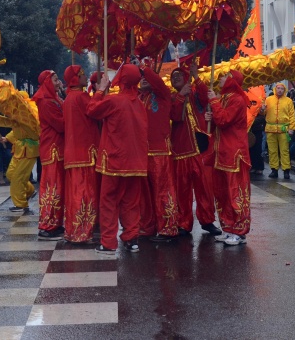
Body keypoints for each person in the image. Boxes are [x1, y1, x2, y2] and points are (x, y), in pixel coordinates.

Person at [87, 66, 148, 254]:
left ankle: (108, 242)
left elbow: (91, 110)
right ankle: (132, 239)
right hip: (136, 163)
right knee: (131, 202)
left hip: (114, 160)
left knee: (108, 201)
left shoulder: (114, 101)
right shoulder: (139, 104)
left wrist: (99, 90)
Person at [170, 64, 220, 236]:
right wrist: (180, 96)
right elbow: (175, 116)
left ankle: (207, 221)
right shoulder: (172, 97)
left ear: (186, 79)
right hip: (181, 150)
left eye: (179, 76)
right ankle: (183, 223)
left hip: (200, 148)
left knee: (204, 188)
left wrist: (196, 77)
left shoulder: (196, 94)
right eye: (173, 77)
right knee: (182, 190)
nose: (175, 78)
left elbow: (206, 98)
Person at [206, 69, 251, 245]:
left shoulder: (237, 99)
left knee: (235, 192)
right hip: (221, 153)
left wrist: (214, 103)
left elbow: (224, 120)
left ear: (232, 80)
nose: (220, 79)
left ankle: (239, 232)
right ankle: (228, 228)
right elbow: (219, 120)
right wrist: (211, 115)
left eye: (224, 76)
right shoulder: (223, 98)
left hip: (234, 153)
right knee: (222, 193)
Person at [138, 61, 179, 242]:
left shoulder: (163, 94)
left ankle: (167, 229)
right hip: (141, 153)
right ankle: (147, 227)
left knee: (162, 191)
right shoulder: (139, 97)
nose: (144, 79)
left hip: (160, 151)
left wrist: (143, 68)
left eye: (148, 76)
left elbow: (158, 83)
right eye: (142, 77)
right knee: (144, 194)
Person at [61, 65, 101, 242]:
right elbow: (97, 110)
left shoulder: (69, 97)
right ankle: (82, 232)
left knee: (75, 192)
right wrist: (100, 92)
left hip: (74, 153)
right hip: (84, 152)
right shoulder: (81, 96)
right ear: (76, 79)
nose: (85, 77)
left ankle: (74, 230)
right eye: (82, 74)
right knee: (85, 192)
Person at [34, 70, 65, 241]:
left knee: (58, 188)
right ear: (46, 82)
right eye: (55, 79)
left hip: (58, 148)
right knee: (52, 188)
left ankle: (56, 223)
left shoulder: (54, 98)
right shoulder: (46, 102)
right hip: (52, 149)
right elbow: (60, 125)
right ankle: (47, 226)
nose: (58, 81)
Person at [263, 82, 295, 180]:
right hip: (270, 129)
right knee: (272, 151)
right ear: (275, 89)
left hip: (284, 129)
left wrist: (291, 128)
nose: (280, 90)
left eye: (282, 88)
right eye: (278, 88)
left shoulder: (289, 101)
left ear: (284, 90)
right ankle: (274, 169)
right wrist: (262, 109)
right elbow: (263, 112)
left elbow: (292, 115)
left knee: (284, 151)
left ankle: (286, 170)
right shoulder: (268, 100)